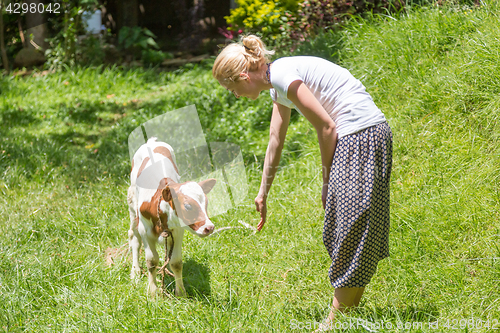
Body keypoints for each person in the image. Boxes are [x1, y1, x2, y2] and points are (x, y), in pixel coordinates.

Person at [212, 35, 392, 330]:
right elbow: (275, 139)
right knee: (348, 229)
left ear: (244, 77)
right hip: (365, 135)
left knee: (348, 231)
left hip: (360, 135)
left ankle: (333, 324)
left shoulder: (282, 77)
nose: (235, 95)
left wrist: (326, 182)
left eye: (232, 89)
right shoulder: (277, 84)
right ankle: (348, 316)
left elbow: (327, 126)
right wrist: (263, 192)